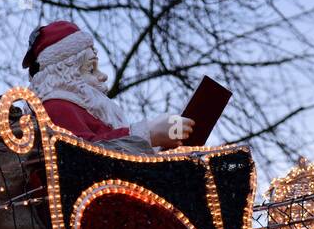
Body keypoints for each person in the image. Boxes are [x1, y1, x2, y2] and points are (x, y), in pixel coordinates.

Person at [22, 21, 193, 155]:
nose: (103, 76)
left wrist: (162, 145)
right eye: (91, 69)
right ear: (64, 73)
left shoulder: (88, 110)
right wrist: (148, 134)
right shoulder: (56, 107)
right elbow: (83, 156)